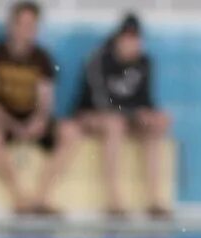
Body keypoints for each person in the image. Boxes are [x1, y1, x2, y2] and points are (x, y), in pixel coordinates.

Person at [0, 0, 78, 216]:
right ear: (11, 25)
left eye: (31, 25)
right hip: (3, 119)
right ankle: (19, 197)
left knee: (70, 130)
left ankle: (42, 196)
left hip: (32, 118)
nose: (26, 30)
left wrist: (38, 121)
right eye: (22, 24)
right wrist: (11, 124)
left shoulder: (42, 58)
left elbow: (46, 100)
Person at [73, 13, 170, 220]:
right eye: (127, 37)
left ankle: (154, 199)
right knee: (114, 125)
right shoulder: (99, 59)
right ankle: (113, 199)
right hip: (90, 115)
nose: (131, 43)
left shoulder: (144, 63)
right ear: (118, 38)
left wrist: (152, 116)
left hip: (125, 117)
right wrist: (136, 113)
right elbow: (101, 103)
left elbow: (146, 99)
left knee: (156, 124)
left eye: (135, 38)